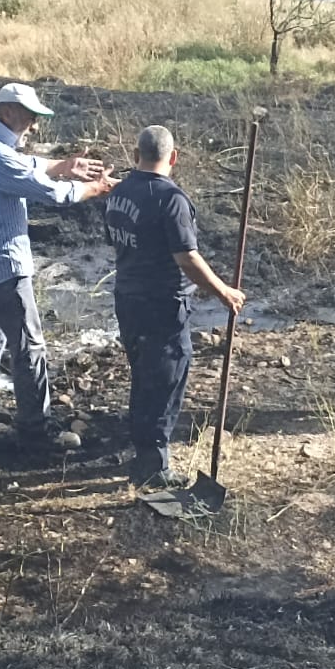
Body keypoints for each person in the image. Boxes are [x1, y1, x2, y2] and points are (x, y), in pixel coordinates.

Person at [0, 83, 116, 454]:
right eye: (29, 117)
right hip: (5, 268)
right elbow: (54, 194)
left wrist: (62, 166)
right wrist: (95, 188)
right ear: (6, 113)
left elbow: (23, 165)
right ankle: (35, 431)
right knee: (30, 349)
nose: (34, 126)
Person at [107, 126, 245, 489]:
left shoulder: (119, 192)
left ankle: (143, 449)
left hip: (127, 297)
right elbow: (186, 258)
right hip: (162, 304)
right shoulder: (171, 199)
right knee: (166, 379)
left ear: (137, 155)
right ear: (173, 156)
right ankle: (154, 465)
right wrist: (223, 292)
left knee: (142, 373)